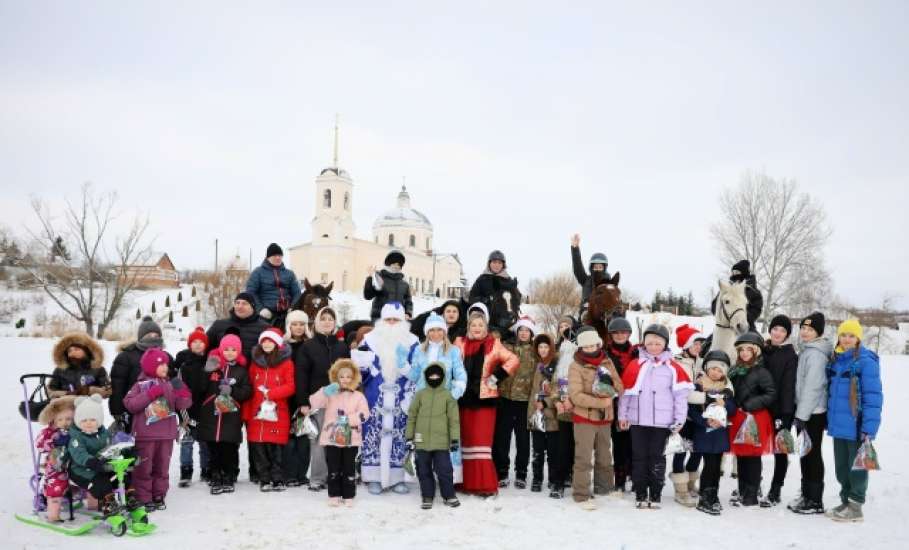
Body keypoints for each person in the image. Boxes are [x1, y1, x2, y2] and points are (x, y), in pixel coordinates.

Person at [618, 324, 693, 509]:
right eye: (649, 342)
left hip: (662, 423)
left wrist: (680, 419)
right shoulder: (635, 365)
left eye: (657, 342)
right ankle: (641, 493)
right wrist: (623, 415)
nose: (653, 346)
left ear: (665, 344)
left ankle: (656, 493)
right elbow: (625, 394)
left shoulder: (673, 368)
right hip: (638, 421)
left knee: (657, 457)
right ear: (644, 343)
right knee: (639, 457)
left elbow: (680, 397)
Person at [352, 302, 420, 494]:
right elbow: (360, 370)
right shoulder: (369, 340)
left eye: (395, 320)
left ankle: (399, 478)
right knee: (373, 435)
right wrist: (366, 367)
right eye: (388, 319)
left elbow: (417, 369)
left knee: (400, 436)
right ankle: (373, 477)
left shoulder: (413, 341)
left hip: (401, 395)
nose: (391, 323)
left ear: (403, 321)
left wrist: (410, 394)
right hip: (376, 396)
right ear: (381, 320)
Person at [455, 312, 519, 496]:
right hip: (462, 398)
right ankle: (464, 482)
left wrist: (496, 377)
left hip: (485, 399)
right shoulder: (459, 343)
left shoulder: (494, 344)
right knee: (465, 440)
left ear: (486, 327)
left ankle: (483, 484)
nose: (477, 329)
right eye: (473, 325)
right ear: (468, 327)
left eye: (480, 326)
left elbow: (513, 360)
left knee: (480, 442)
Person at [825, 319, 883, 522]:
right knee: (842, 468)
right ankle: (845, 501)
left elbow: (873, 397)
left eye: (851, 335)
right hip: (838, 425)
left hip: (856, 426)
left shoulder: (866, 361)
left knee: (856, 467)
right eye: (843, 335)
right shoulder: (836, 360)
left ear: (858, 338)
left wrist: (869, 428)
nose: (847, 339)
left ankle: (856, 506)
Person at [123, 348, 192, 511]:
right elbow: (130, 405)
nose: (164, 368)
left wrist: (183, 393)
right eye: (159, 365)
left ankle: (159, 494)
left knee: (162, 467)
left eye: (165, 365)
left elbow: (183, 405)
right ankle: (144, 497)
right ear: (149, 366)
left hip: (166, 435)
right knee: (144, 468)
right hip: (145, 436)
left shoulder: (169, 385)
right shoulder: (140, 385)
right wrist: (150, 394)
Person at [568, 326, 623, 509]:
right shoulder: (576, 365)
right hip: (585, 418)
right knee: (583, 457)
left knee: (605, 455)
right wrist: (601, 402)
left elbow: (619, 385)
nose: (591, 349)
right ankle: (581, 494)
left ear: (598, 344)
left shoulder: (606, 362)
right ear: (581, 348)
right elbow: (576, 396)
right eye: (587, 346)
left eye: (593, 345)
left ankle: (604, 488)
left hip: (605, 418)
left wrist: (612, 387)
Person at [296, 307, 350, 492]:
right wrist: (303, 402)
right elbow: (301, 375)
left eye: (331, 319)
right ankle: (318, 478)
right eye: (324, 318)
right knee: (318, 439)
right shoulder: (308, 346)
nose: (327, 322)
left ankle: (335, 474)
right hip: (317, 401)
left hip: (339, 401)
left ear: (335, 323)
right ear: (318, 322)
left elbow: (350, 373)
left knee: (337, 437)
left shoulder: (342, 346)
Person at [67, 395, 144, 520]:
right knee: (102, 483)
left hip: (103, 466)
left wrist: (129, 451)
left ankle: (129, 498)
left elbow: (116, 446)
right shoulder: (77, 438)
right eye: (84, 420)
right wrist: (91, 461)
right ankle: (109, 504)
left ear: (99, 420)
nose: (88, 423)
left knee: (122, 476)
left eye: (92, 419)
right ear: (78, 421)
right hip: (81, 470)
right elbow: (79, 454)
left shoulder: (105, 434)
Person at [308, 359, 371, 507]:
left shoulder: (358, 396)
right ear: (336, 377)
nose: (345, 380)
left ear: (354, 378)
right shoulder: (329, 393)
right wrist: (324, 392)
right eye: (342, 376)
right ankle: (334, 494)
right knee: (333, 467)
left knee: (348, 467)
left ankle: (349, 495)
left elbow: (365, 414)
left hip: (351, 438)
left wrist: (349, 419)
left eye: (348, 377)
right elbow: (314, 402)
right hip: (332, 438)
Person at [197, 334, 253, 495]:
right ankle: (215, 476)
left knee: (229, 448)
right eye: (226, 349)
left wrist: (233, 391)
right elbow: (200, 388)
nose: (229, 352)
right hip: (211, 416)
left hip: (230, 417)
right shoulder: (214, 367)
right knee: (213, 449)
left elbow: (247, 391)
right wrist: (206, 371)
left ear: (239, 351)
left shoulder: (241, 371)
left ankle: (228, 476)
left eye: (233, 349)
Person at [789, 311, 833, 514]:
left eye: (810, 329)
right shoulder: (807, 350)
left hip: (812, 413)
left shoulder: (815, 354)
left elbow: (812, 387)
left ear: (818, 332)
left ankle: (814, 500)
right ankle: (807, 494)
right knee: (806, 454)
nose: (805, 332)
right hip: (807, 411)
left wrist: (801, 416)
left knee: (812, 455)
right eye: (803, 328)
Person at [243, 328, 296, 492]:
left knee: (276, 449)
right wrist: (246, 412)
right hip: (256, 413)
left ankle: (277, 478)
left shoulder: (286, 363)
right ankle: (264, 478)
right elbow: (249, 388)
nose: (266, 344)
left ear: (277, 344)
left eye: (270, 341)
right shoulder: (255, 363)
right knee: (259, 449)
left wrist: (272, 394)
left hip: (277, 412)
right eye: (264, 341)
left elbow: (291, 386)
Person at [727, 331, 776, 507]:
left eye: (749, 349)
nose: (745, 353)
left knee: (753, 457)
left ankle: (752, 494)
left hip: (755, 418)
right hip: (739, 417)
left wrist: (750, 404)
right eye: (742, 349)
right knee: (741, 455)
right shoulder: (734, 370)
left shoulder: (761, 371)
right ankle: (742, 490)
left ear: (756, 351)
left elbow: (770, 394)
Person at [406, 362, 462, 509]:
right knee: (423, 470)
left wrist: (454, 439)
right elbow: (412, 416)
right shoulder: (420, 395)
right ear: (426, 377)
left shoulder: (448, 396)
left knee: (444, 470)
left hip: (441, 442)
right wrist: (409, 437)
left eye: (437, 375)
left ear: (443, 377)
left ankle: (449, 495)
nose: (434, 378)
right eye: (431, 375)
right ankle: (427, 495)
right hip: (421, 440)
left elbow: (454, 420)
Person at [689, 351, 736, 515]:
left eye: (720, 370)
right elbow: (692, 410)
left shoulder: (727, 389)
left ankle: (713, 494)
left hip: (720, 433)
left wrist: (725, 405)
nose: (716, 372)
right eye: (713, 369)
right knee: (709, 465)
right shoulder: (698, 386)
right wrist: (704, 421)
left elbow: (732, 409)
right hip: (705, 433)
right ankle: (705, 496)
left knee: (716, 466)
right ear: (707, 368)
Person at [494, 316, 538, 488]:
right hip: (505, 399)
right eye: (521, 330)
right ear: (517, 332)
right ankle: (502, 471)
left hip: (524, 402)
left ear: (531, 333)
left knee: (523, 440)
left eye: (527, 330)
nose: (524, 333)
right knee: (502, 438)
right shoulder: (506, 347)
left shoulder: (535, 350)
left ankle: (521, 473)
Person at [110, 316, 173, 430]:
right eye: (149, 336)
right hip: (133, 412)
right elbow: (117, 387)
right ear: (141, 337)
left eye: (156, 336)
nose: (153, 338)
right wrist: (118, 412)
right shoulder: (126, 356)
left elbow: (171, 384)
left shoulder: (166, 357)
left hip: (161, 414)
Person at [761, 314, 797, 507]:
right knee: (755, 445)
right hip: (761, 407)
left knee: (779, 450)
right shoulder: (763, 349)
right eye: (775, 328)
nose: (778, 333)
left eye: (782, 330)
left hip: (781, 411)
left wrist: (784, 415)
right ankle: (754, 484)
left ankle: (776, 490)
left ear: (787, 334)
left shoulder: (790, 355)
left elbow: (788, 387)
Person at [173, 326, 211, 488]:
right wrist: (183, 413)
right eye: (194, 342)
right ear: (189, 344)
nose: (197, 345)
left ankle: (206, 470)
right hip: (187, 410)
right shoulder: (184, 365)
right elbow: (178, 389)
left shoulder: (209, 363)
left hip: (204, 410)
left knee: (204, 443)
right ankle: (186, 471)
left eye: (200, 342)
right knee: (187, 442)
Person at [672, 323, 705, 507]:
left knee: (697, 450)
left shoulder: (700, 362)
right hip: (682, 414)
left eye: (700, 344)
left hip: (697, 416)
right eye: (695, 343)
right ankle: (680, 489)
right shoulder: (677, 363)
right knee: (681, 450)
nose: (698, 347)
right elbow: (682, 392)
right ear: (686, 345)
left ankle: (691, 483)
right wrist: (705, 395)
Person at [604, 316, 638, 492]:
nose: (619, 335)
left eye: (623, 332)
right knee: (618, 443)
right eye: (615, 332)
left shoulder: (636, 353)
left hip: (633, 404)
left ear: (629, 334)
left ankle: (632, 474)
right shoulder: (605, 353)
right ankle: (619, 479)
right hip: (611, 403)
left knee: (632, 442)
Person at [405, 312, 467, 399]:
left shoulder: (453, 351)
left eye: (439, 329)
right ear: (427, 332)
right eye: (432, 330)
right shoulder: (419, 350)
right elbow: (415, 376)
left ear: (444, 331)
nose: (436, 334)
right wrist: (402, 365)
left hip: (443, 400)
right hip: (422, 400)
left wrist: (454, 394)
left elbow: (460, 374)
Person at [550, 315, 579, 499]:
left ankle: (574, 478)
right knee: (561, 445)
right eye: (561, 325)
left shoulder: (580, 349)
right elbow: (552, 377)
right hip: (560, 402)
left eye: (567, 325)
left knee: (578, 445)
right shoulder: (556, 349)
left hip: (578, 403)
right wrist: (557, 400)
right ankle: (558, 481)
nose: (564, 328)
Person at [283, 309, 312, 487]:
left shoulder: (310, 345)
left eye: (302, 324)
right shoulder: (282, 346)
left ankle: (301, 473)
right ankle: (289, 474)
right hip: (286, 398)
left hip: (304, 398)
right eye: (295, 324)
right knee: (288, 438)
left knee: (303, 437)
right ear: (289, 325)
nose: (299, 327)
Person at [36, 396, 76, 522]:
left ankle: (92, 504)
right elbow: (39, 445)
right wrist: (53, 441)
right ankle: (53, 514)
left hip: (73, 465)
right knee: (55, 488)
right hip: (55, 468)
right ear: (53, 419)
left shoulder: (74, 430)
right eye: (60, 419)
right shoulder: (48, 432)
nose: (65, 422)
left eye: (69, 419)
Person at [527, 334, 559, 493]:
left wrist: (546, 403)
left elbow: (559, 391)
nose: (543, 350)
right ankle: (537, 479)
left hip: (552, 414)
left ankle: (553, 479)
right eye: (540, 347)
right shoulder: (536, 365)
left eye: (546, 347)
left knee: (553, 451)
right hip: (536, 413)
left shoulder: (556, 365)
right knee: (537, 450)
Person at [245, 243, 302, 328]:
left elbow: (297, 292)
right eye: (275, 255)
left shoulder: (289, 273)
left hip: (288, 313)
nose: (278, 258)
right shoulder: (258, 272)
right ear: (268, 257)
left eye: (280, 255)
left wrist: (293, 307)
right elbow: (251, 292)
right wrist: (260, 309)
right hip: (266, 314)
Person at [206, 292, 271, 365]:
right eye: (237, 303)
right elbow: (204, 347)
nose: (240, 306)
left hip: (252, 373)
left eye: (244, 303)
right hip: (223, 373)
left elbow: (274, 353)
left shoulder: (265, 328)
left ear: (252, 307)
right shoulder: (219, 325)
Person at [468, 250, 522, 337]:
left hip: (507, 323)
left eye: (499, 263)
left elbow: (516, 301)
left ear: (503, 265)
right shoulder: (482, 279)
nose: (496, 265)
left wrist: (515, 291)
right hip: (488, 322)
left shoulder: (508, 280)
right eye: (494, 262)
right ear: (489, 263)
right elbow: (471, 297)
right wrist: (483, 300)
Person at [48, 332, 111, 398]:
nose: (72, 353)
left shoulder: (98, 369)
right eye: (69, 351)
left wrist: (89, 391)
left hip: (89, 404)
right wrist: (66, 393)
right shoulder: (60, 370)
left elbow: (108, 391)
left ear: (86, 351)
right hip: (64, 404)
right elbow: (50, 391)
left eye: (76, 349)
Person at [710, 260, 764, 331]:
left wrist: (740, 316)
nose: (734, 274)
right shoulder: (726, 289)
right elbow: (715, 307)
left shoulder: (753, 291)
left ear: (744, 273)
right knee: (706, 342)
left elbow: (756, 309)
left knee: (757, 340)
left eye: (737, 272)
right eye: (733, 272)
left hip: (746, 326)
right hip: (725, 327)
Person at [364, 250, 413, 321]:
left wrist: (408, 313)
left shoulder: (404, 284)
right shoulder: (378, 278)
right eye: (394, 263)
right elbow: (368, 296)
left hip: (398, 319)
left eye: (399, 264)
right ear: (388, 263)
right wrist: (370, 278)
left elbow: (408, 301)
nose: (396, 266)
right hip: (380, 318)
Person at [569, 234, 611, 315]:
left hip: (603, 317)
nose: (597, 269)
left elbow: (616, 300)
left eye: (600, 267)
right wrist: (575, 249)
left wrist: (631, 306)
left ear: (604, 268)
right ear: (591, 268)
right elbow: (577, 268)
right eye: (595, 267)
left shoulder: (609, 284)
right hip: (586, 316)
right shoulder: (585, 280)